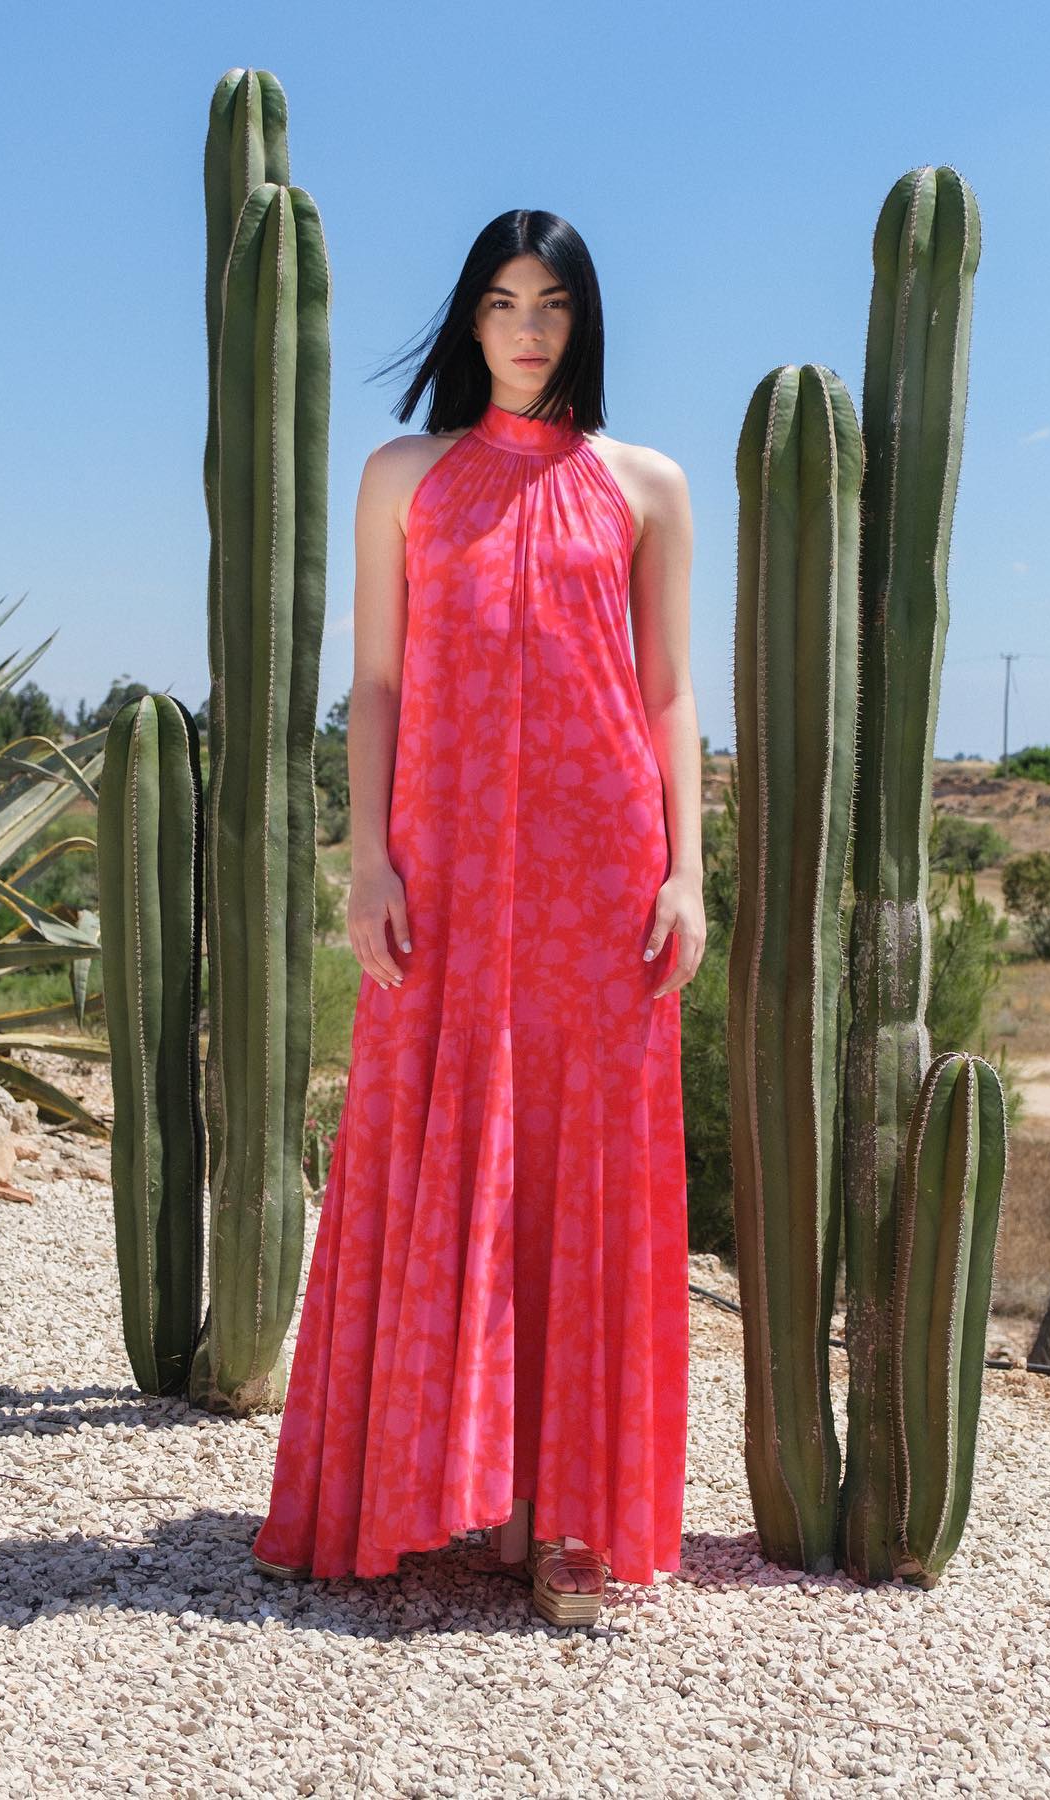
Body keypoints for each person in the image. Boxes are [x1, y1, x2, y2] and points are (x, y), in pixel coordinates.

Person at [251, 208, 705, 1627]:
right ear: (467, 319)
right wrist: (366, 857)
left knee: (584, 1172)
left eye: (552, 304)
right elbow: (375, 686)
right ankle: (417, 1493)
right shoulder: (404, 475)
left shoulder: (647, 484)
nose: (525, 327)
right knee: (432, 1144)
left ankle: (568, 1524)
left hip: (599, 874)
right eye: (502, 300)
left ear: (582, 324)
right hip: (439, 869)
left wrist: (686, 871)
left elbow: (672, 691)